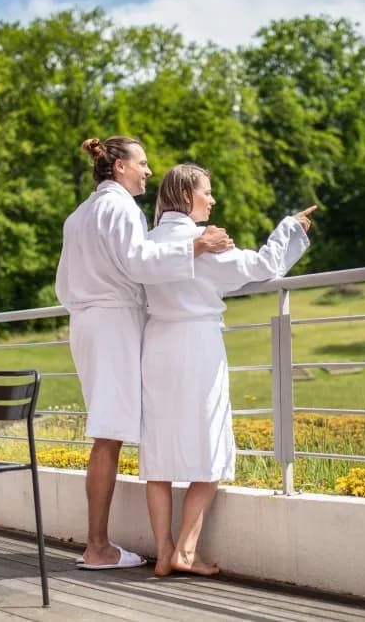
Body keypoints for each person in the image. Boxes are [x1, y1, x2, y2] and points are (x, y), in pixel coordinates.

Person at [55, 137, 233, 570]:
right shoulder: (119, 209)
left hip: (87, 322)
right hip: (113, 323)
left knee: (108, 432)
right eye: (142, 163)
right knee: (108, 435)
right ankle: (97, 547)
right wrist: (196, 246)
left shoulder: (78, 215)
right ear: (119, 167)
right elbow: (139, 263)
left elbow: (64, 283)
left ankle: (101, 544)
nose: (148, 172)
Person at [139, 163, 315, 576]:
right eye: (207, 192)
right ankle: (185, 549)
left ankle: (163, 551)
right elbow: (264, 265)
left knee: (160, 454)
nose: (213, 200)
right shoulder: (206, 243)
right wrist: (291, 227)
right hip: (197, 348)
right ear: (187, 196)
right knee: (212, 447)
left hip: (158, 347)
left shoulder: (147, 244)